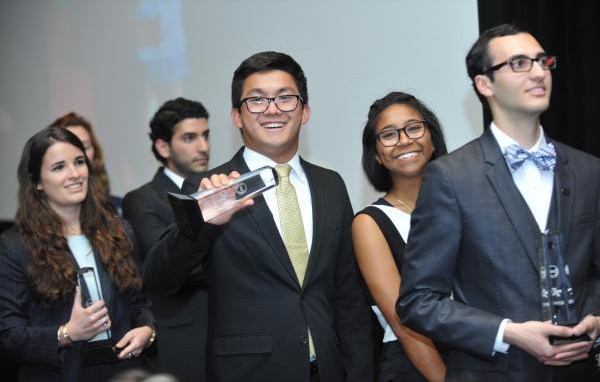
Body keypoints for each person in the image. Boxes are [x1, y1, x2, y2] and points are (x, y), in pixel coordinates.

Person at [143, 51, 374, 382]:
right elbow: (159, 277)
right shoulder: (211, 187)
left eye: (285, 98)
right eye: (256, 100)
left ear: (305, 110)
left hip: (329, 369)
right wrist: (205, 220)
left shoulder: (330, 184)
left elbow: (347, 295)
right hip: (249, 371)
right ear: (236, 116)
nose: (272, 109)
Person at [397, 23, 600, 381]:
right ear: (484, 84)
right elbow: (418, 302)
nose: (539, 72)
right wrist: (508, 332)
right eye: (520, 63)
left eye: (542, 61)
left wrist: (596, 317)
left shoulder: (588, 170)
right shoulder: (451, 177)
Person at [0, 127, 156, 381]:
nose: (74, 174)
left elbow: (139, 302)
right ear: (37, 182)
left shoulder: (119, 231)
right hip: (59, 373)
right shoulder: (14, 246)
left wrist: (147, 331)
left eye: (79, 162)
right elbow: (7, 335)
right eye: (59, 167)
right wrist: (67, 333)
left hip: (123, 370)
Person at [353, 92, 447, 382]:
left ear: (432, 139)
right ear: (377, 155)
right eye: (389, 135)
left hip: (478, 356)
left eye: (414, 128)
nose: (405, 140)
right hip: (413, 366)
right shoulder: (370, 223)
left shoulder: (462, 206)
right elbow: (404, 322)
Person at [123, 97, 210, 382]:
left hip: (230, 331)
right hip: (182, 336)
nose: (204, 147)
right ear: (163, 147)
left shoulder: (218, 185)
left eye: (206, 135)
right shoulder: (142, 200)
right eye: (190, 137)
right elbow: (164, 265)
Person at [50, 112, 123, 213]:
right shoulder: (32, 222)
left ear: (95, 151)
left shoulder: (119, 209)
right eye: (70, 147)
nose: (80, 155)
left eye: (85, 147)